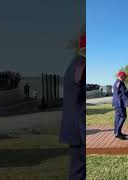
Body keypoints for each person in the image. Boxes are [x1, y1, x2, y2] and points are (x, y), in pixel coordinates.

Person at [59, 34, 86, 180]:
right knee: (79, 172)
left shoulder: (73, 64)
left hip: (73, 129)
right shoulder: (82, 66)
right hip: (80, 130)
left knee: (77, 169)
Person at [112, 71, 128, 140]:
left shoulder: (116, 82)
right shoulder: (120, 82)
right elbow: (124, 92)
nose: (125, 78)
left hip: (117, 103)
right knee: (123, 116)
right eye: (125, 76)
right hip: (120, 103)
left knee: (117, 118)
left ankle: (117, 132)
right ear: (121, 76)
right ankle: (118, 133)